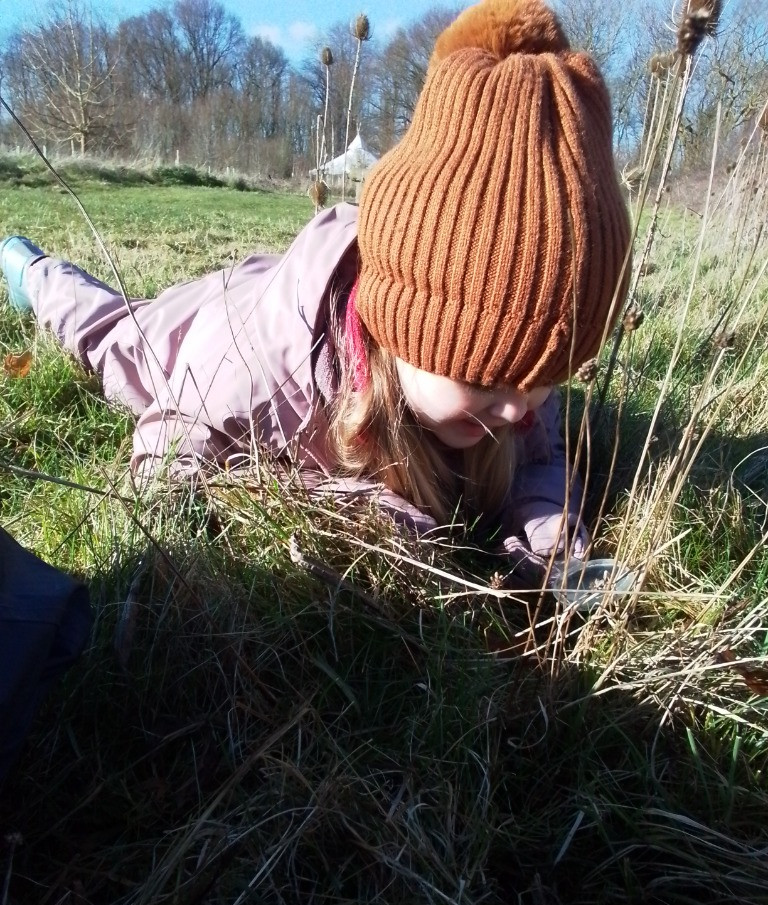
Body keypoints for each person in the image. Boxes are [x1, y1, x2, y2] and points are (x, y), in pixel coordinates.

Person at [0, 0, 630, 580]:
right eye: (488, 379)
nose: (523, 408)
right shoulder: (256, 383)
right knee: (106, 329)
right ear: (405, 329)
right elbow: (167, 457)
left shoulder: (515, 381)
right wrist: (364, 509)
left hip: (308, 290)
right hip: (196, 332)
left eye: (547, 373)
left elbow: (541, 457)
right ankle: (28, 268)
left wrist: (548, 540)